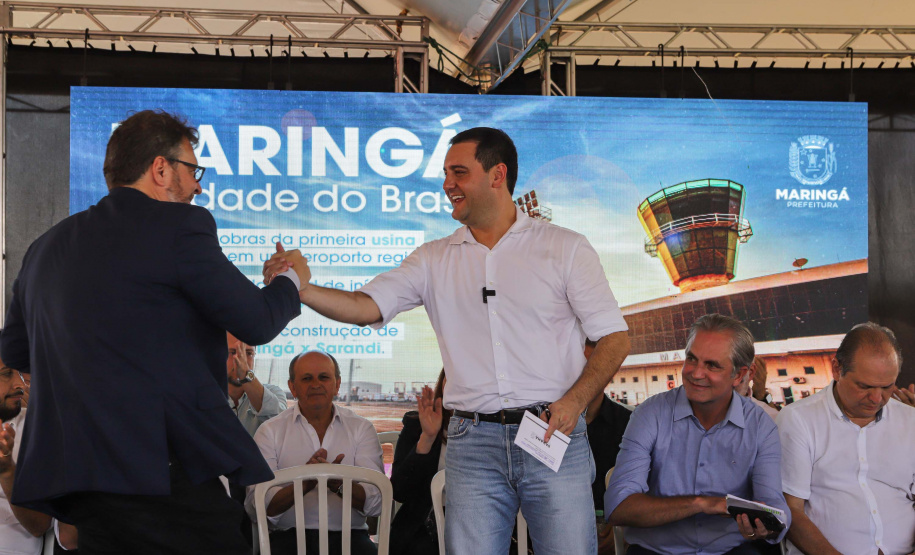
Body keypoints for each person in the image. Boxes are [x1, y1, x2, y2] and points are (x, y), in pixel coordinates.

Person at [267, 127, 631, 554]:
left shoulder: (565, 248)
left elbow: (615, 338)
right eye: (445, 174)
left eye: (459, 172)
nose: (446, 184)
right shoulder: (433, 258)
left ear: (497, 175)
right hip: (471, 442)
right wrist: (302, 289)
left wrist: (573, 402)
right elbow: (364, 307)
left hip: (552, 434)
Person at [0, 110, 308, 553]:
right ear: (161, 169)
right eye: (193, 170)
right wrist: (291, 279)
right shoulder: (179, 227)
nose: (198, 186)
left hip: (82, 479)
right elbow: (257, 321)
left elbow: (16, 351)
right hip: (160, 471)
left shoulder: (45, 247)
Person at [606, 314, 790, 555]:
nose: (696, 373)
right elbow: (618, 507)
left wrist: (766, 528)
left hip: (731, 551)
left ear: (738, 375)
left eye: (712, 365)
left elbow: (776, 511)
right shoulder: (650, 414)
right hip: (657, 551)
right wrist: (702, 503)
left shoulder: (760, 425)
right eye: (691, 359)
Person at [776, 322, 915, 555]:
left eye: (887, 387)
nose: (876, 398)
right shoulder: (799, 419)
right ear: (836, 369)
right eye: (864, 386)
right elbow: (791, 511)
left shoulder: (910, 420)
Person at [248, 351, 383, 555]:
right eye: (306, 378)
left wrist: (339, 484)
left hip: (350, 538)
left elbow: (377, 501)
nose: (316, 384)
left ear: (337, 384)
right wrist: (305, 483)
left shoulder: (361, 429)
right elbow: (256, 506)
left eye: (324, 377)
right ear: (292, 387)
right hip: (287, 539)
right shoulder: (270, 431)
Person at [390, 370, 449, 555]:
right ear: (443, 382)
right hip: (423, 533)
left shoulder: (500, 430)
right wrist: (427, 438)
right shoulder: (417, 424)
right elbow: (399, 491)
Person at [0, 357, 50, 554]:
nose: (20, 384)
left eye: (21, 373)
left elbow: (39, 525)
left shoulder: (37, 428)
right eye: (6, 374)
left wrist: (7, 471)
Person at [226, 332, 287, 437]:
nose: (241, 360)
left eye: (249, 353)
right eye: (233, 352)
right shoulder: (204, 396)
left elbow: (283, 424)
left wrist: (246, 375)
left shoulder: (273, 392)